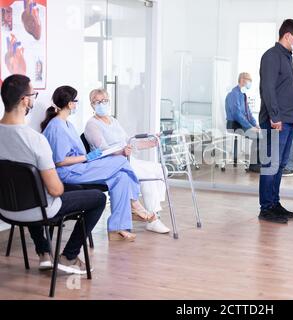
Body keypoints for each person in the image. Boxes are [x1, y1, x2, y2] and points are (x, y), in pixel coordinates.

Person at [0, 74, 106, 274]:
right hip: (40, 209)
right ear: (25, 100)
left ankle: (44, 254)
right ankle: (69, 256)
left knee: (33, 189)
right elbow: (56, 190)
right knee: (98, 198)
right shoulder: (35, 140)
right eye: (34, 94)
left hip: (6, 208)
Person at [41, 86, 151, 241]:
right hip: (68, 173)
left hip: (79, 168)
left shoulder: (67, 124)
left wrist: (88, 157)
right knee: (120, 161)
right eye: (76, 101)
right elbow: (59, 162)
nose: (77, 104)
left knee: (121, 178)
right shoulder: (56, 126)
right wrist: (87, 157)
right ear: (70, 104)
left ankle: (117, 229)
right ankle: (134, 203)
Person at [84, 88, 170, 234]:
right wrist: (121, 151)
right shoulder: (92, 125)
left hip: (127, 159)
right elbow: (103, 150)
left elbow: (128, 142)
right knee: (148, 176)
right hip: (112, 164)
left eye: (104, 100)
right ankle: (153, 218)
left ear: (109, 101)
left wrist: (151, 142)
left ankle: (154, 213)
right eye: (97, 102)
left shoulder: (113, 121)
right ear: (92, 105)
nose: (101, 104)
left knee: (161, 169)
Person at [258, 19, 293, 224]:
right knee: (271, 165)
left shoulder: (287, 57)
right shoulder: (271, 56)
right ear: (288, 35)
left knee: (280, 165)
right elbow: (268, 89)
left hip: (287, 121)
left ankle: (274, 204)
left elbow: (287, 90)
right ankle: (266, 208)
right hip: (275, 121)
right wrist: (275, 116)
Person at [225, 72, 261, 172]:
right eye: (249, 81)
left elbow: (248, 113)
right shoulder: (233, 94)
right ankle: (254, 166)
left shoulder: (242, 95)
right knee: (258, 136)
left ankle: (258, 164)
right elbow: (237, 114)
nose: (250, 83)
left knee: (261, 133)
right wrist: (250, 127)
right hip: (233, 125)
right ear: (242, 80)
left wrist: (255, 125)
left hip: (241, 124)